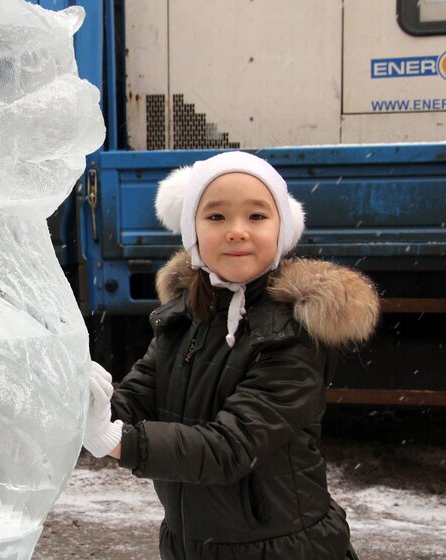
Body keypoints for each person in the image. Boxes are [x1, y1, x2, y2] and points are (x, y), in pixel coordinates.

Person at [82, 151, 380, 559]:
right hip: (192, 544)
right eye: (216, 217)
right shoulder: (184, 319)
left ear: (282, 229)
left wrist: (117, 440)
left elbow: (231, 448)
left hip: (284, 550)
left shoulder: (292, 335)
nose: (237, 231)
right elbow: (136, 398)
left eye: (257, 217)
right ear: (193, 232)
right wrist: (83, 401)